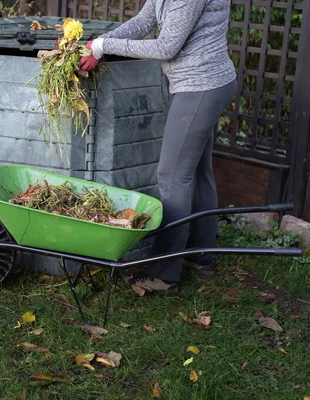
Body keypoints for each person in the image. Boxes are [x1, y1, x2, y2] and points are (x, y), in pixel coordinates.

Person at [79, 0, 237, 295]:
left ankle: (164, 275)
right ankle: (200, 257)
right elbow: (143, 20)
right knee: (197, 173)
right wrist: (99, 46)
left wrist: (103, 46)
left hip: (200, 85)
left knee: (172, 177)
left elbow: (166, 48)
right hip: (202, 83)